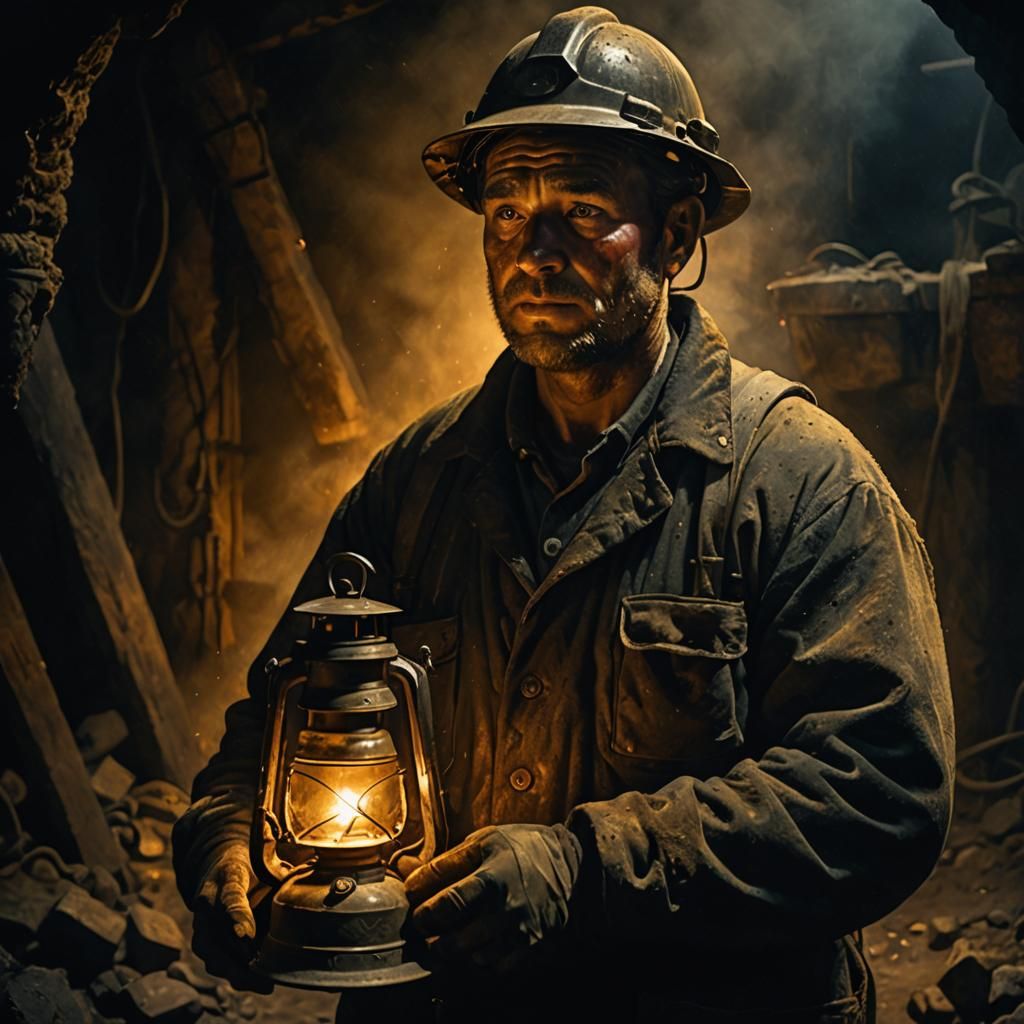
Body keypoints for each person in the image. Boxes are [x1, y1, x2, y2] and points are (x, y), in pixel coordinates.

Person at [172, 8, 955, 1022]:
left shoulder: (798, 480)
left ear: (676, 236)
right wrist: (230, 827)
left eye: (581, 211)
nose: (532, 250)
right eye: (506, 212)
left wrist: (587, 873)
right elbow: (279, 714)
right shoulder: (416, 482)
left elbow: (878, 790)